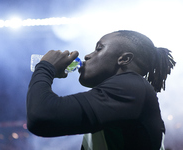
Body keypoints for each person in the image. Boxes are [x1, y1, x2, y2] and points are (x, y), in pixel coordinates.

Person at [26, 30, 176, 150]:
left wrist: (46, 67)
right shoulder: (122, 94)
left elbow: (42, 116)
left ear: (124, 59)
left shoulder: (131, 86)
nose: (87, 55)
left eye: (99, 48)